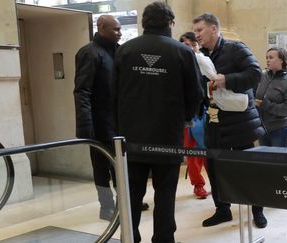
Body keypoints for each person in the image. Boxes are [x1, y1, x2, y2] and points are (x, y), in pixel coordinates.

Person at [114, 2, 204, 243]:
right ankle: (164, 239)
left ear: (144, 22)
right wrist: (187, 118)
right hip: (168, 135)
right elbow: (195, 92)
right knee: (166, 193)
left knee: (132, 194)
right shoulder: (182, 52)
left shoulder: (125, 51)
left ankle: (130, 238)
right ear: (170, 23)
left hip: (131, 137)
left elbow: (112, 92)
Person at [192, 13, 267, 228]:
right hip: (215, 123)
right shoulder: (200, 56)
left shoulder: (236, 49)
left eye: (200, 30)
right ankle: (222, 210)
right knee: (215, 169)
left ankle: (257, 211)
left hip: (241, 122)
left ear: (214, 29)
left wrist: (228, 80)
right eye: (195, 31)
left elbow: (255, 74)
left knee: (249, 170)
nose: (197, 35)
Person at [73, 15, 148, 221]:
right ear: (101, 27)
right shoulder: (89, 52)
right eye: (115, 29)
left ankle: (125, 201)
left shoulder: (118, 51)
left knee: (122, 163)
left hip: (119, 121)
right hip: (99, 122)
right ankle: (106, 207)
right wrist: (85, 124)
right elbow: (82, 91)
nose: (120, 32)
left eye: (120, 29)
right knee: (101, 166)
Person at [179, 32, 209, 199]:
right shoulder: (177, 66)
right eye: (186, 45)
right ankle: (198, 185)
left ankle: (218, 185)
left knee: (208, 152)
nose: (190, 48)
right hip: (187, 117)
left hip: (206, 114)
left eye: (193, 44)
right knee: (192, 153)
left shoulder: (206, 62)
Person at [255, 47, 287, 148]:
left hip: (280, 130)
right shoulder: (262, 76)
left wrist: (265, 104)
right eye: (267, 57)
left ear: (281, 60)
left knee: (278, 162)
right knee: (265, 162)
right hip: (262, 128)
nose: (268, 60)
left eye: (271, 57)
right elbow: (253, 92)